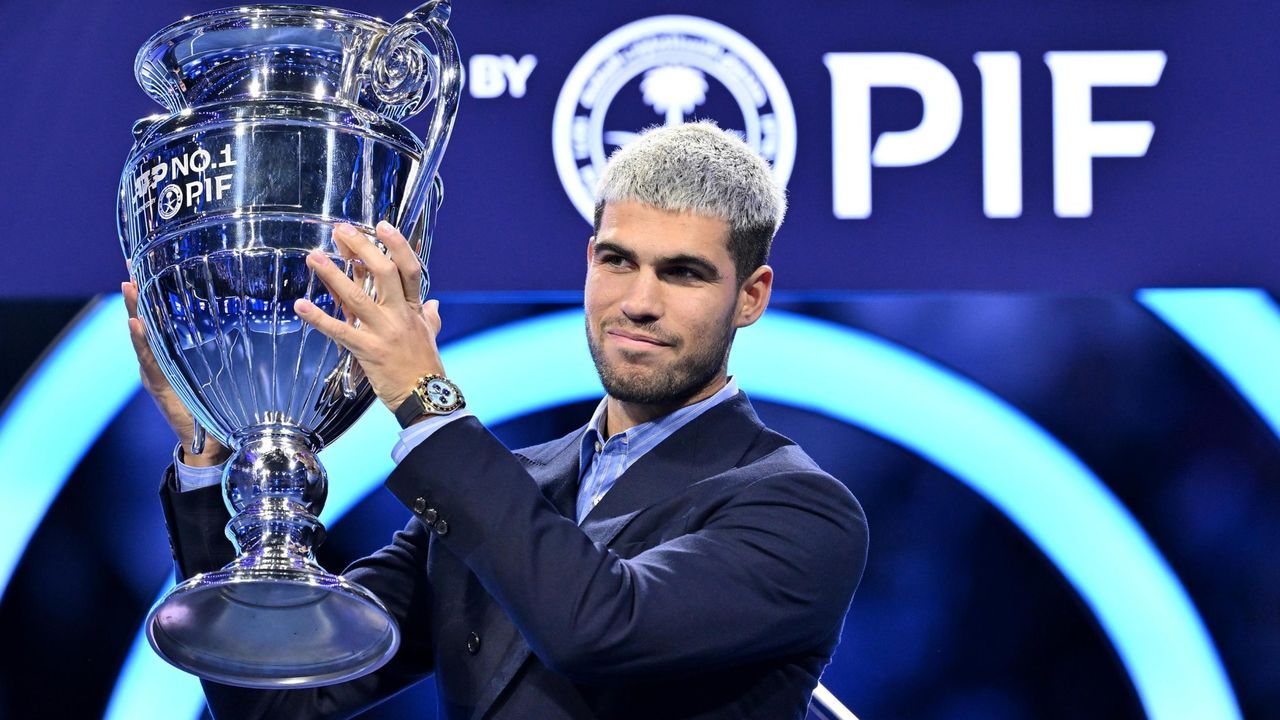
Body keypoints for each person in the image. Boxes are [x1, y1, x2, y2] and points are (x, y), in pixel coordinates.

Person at [125, 121, 869, 719]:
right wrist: (213, 457)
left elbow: (600, 626)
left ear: (752, 295)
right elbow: (279, 701)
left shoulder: (801, 511)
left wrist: (426, 401)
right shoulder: (507, 487)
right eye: (617, 261)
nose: (638, 301)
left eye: (682, 272)